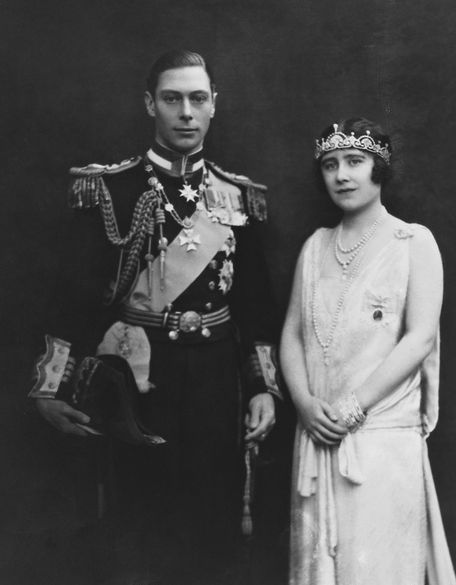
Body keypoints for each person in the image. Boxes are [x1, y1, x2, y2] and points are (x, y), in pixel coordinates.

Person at [29, 50, 281, 584]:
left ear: (215, 104)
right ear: (150, 104)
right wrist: (51, 386)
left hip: (217, 379)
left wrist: (262, 386)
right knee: (141, 524)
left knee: (212, 524)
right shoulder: (111, 189)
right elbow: (72, 297)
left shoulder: (239, 197)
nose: (186, 112)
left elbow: (257, 307)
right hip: (139, 380)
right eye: (172, 99)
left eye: (197, 99)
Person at [280, 118, 456, 585]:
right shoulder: (315, 246)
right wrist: (303, 402)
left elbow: (419, 338)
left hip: (380, 444)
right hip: (318, 438)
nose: (342, 175)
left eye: (355, 162)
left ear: (379, 168)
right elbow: (292, 337)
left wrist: (352, 407)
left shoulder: (413, 242)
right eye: (331, 164)